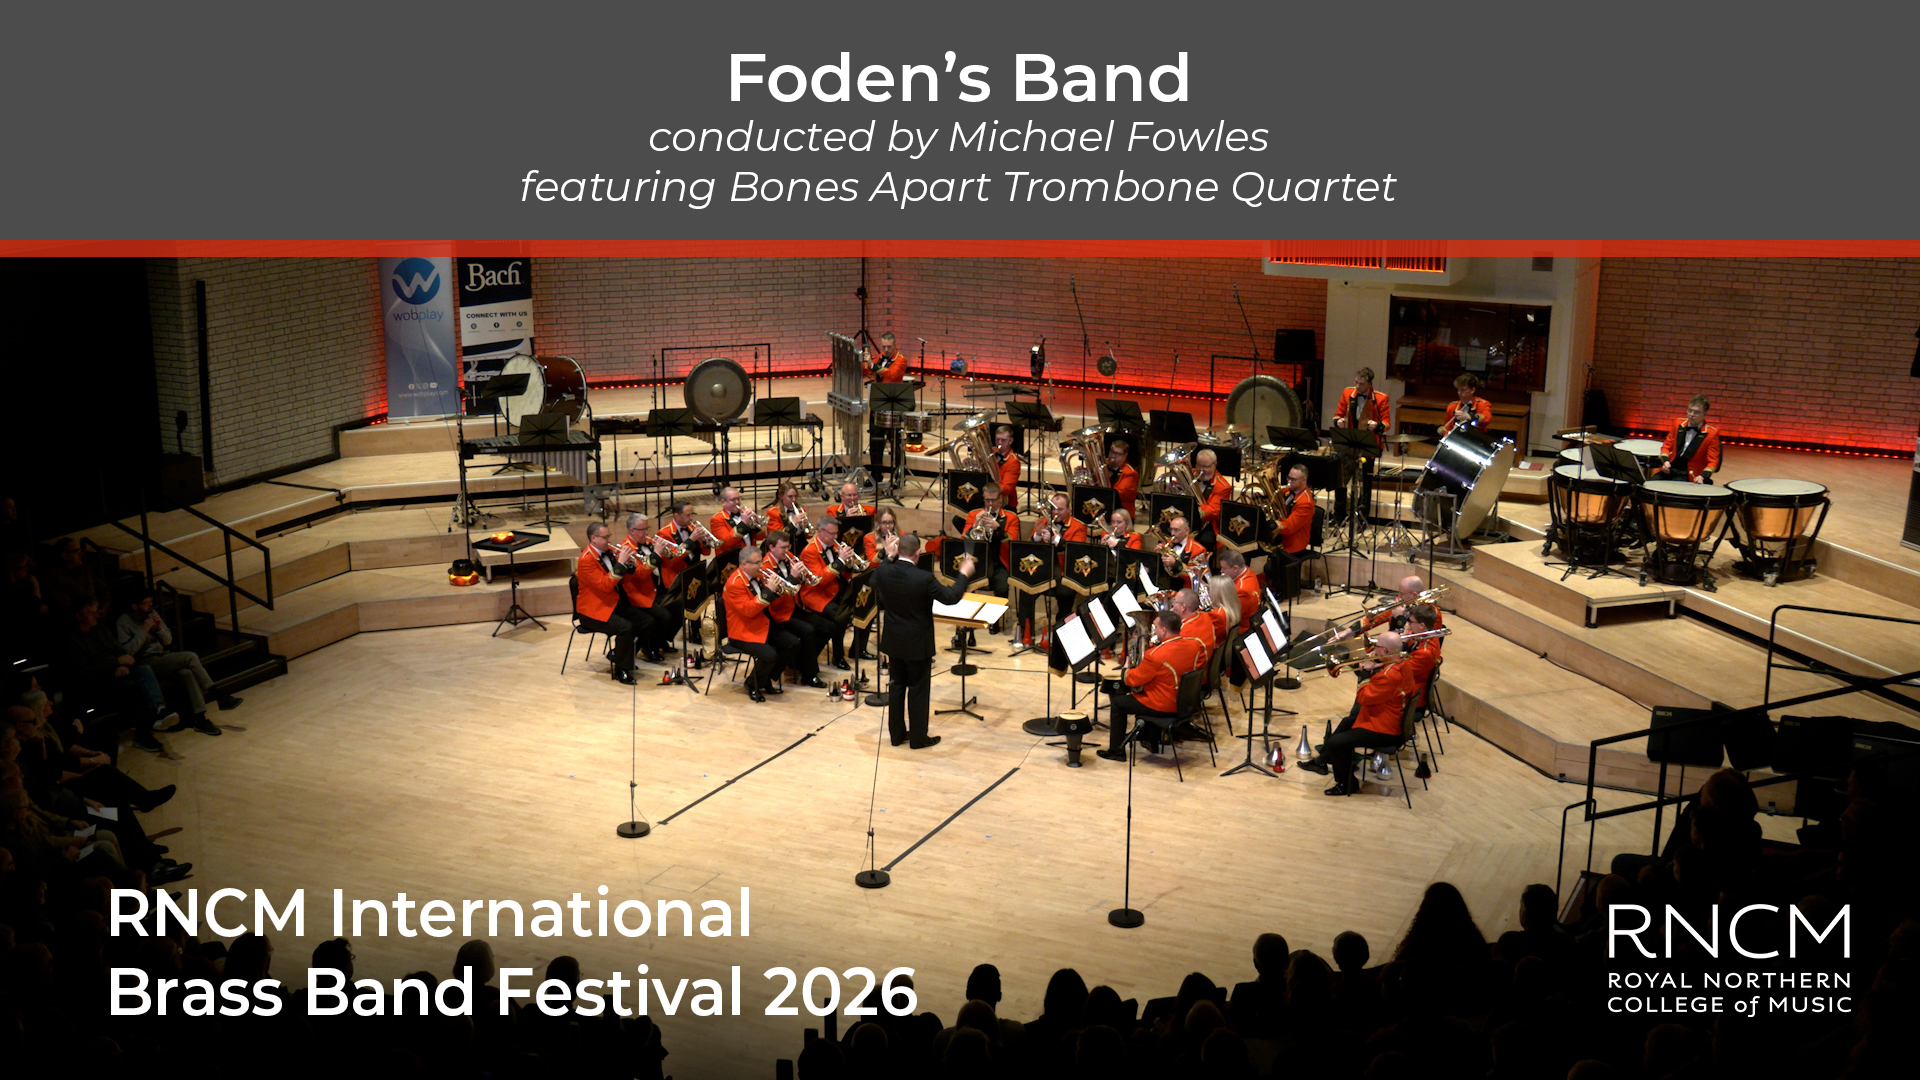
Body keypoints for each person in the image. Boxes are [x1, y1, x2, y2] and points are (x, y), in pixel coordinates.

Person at [869, 534, 973, 749]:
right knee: (918, 690)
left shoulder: (884, 570)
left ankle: (896, 735)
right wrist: (963, 574)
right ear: (918, 553)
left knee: (896, 687)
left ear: (898, 551)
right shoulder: (923, 578)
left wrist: (888, 557)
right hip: (917, 643)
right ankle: (918, 738)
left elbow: (873, 581)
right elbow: (951, 597)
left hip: (894, 641)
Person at [1299, 631, 1413, 796]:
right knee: (1347, 722)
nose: (1374, 648)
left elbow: (1363, 697)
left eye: (1377, 646)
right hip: (1390, 717)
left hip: (1385, 730)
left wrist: (1365, 673)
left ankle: (1347, 784)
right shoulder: (1403, 663)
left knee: (1336, 742)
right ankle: (1322, 761)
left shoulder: (1389, 676)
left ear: (1386, 651)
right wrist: (1376, 667)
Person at [1096, 610, 1206, 761]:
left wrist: (1126, 669)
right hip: (1187, 703)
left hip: (1165, 705)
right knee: (1152, 687)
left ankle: (1116, 751)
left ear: (1164, 630)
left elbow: (1133, 680)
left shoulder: (1155, 655)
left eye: (1156, 627)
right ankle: (1149, 738)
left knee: (1117, 703)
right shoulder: (1194, 645)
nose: (1154, 630)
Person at [116, 588, 228, 735]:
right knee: (190, 657)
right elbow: (127, 652)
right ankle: (218, 696)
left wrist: (159, 629)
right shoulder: (123, 623)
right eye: (146, 602)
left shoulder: (152, 613)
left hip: (163, 656)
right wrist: (143, 632)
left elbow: (168, 641)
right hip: (145, 662)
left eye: (151, 601)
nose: (150, 605)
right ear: (135, 606)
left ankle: (200, 719)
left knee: (187, 673)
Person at [721, 547, 798, 703]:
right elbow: (749, 610)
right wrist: (769, 591)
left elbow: (766, 601)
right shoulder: (735, 583)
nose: (761, 566)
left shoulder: (758, 575)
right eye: (757, 563)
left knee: (792, 643)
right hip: (742, 632)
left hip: (761, 624)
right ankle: (752, 684)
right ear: (744, 564)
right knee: (769, 655)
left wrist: (776, 588)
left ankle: (765, 678)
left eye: (761, 561)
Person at [761, 532, 828, 689]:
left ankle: (800, 662)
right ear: (771, 547)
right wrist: (792, 577)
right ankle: (809, 674)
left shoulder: (789, 556)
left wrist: (803, 575)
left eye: (788, 546)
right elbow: (775, 597)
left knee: (827, 627)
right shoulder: (765, 567)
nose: (787, 551)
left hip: (794, 606)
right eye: (783, 547)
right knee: (808, 631)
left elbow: (801, 582)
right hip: (778, 613)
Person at [956, 484, 1020, 646]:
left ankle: (995, 619)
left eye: (993, 500)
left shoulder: (1011, 517)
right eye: (987, 500)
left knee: (1002, 585)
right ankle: (968, 619)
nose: (990, 504)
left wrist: (999, 530)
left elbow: (1013, 543)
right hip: (978, 562)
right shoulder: (973, 515)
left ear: (1000, 499)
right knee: (965, 581)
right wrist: (975, 525)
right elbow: (963, 540)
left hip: (1000, 562)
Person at [1016, 493, 1084, 645]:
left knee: (1066, 593)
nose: (1055, 512)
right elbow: (1029, 548)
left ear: (1069, 509)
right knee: (1025, 589)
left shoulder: (1078, 526)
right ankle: (1026, 634)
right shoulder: (1042, 521)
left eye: (1060, 509)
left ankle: (1061, 632)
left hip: (1064, 573)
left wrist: (1056, 539)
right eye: (1053, 509)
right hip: (1042, 571)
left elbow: (1076, 552)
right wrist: (1037, 536)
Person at [574, 523, 637, 685]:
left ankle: (619, 654)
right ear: (593, 538)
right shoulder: (586, 560)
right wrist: (620, 564)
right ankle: (621, 670)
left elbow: (623, 574)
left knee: (646, 620)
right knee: (626, 628)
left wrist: (628, 563)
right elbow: (605, 585)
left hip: (611, 603)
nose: (609, 540)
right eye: (605, 537)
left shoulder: (608, 552)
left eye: (609, 536)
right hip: (592, 612)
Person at [611, 513, 676, 663]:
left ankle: (661, 640)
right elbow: (641, 574)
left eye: (647, 528)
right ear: (631, 530)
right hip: (637, 595)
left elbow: (669, 560)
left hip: (655, 590)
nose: (646, 533)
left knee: (680, 606)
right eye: (642, 530)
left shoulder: (647, 542)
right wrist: (656, 554)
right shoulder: (626, 549)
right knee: (663, 616)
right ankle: (650, 648)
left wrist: (665, 551)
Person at [797, 516, 856, 671]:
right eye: (832, 533)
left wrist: (849, 565)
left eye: (837, 533)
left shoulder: (833, 545)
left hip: (835, 589)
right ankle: (838, 656)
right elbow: (820, 580)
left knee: (862, 604)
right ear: (820, 531)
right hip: (816, 595)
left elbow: (844, 575)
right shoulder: (809, 552)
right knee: (840, 617)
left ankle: (858, 649)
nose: (835, 537)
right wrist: (840, 561)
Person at [1333, 367, 1391, 523]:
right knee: (1341, 478)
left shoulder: (1380, 398)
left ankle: (1361, 518)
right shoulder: (1347, 393)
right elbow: (1338, 414)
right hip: (1349, 442)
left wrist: (1377, 425)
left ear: (1369, 384)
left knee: (1365, 482)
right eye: (1356, 382)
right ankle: (1339, 515)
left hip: (1367, 444)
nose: (1357, 386)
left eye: (1361, 384)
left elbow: (1386, 423)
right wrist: (1338, 421)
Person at [865, 332, 909, 485]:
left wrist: (872, 365)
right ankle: (876, 475)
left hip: (893, 406)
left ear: (895, 345)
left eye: (888, 347)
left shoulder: (901, 360)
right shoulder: (880, 357)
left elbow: (891, 375)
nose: (885, 349)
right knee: (875, 441)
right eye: (883, 346)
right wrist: (863, 361)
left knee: (895, 442)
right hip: (878, 403)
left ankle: (899, 476)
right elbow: (868, 369)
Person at [1656, 394, 1722, 483]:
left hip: (1688, 475)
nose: (1691, 414)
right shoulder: (1678, 424)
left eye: (1696, 412)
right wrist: (1665, 462)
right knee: (1647, 485)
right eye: (1690, 410)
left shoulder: (1711, 434)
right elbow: (1666, 446)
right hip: (1670, 468)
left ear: (1705, 413)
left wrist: (1702, 476)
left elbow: (1713, 462)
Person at [1191, 448, 1233, 539]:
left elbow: (1213, 511)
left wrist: (1190, 508)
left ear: (1214, 465)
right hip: (1187, 518)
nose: (1201, 470)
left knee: (1206, 539)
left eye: (1206, 467)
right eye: (1199, 465)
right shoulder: (1191, 474)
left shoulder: (1223, 486)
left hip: (1208, 523)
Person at [1438, 372, 1493, 437]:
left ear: (1472, 390)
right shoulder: (1452, 407)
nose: (1459, 393)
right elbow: (1447, 429)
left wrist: (1469, 417)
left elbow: (1486, 419)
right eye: (1458, 390)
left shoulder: (1483, 404)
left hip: (1476, 439)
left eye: (1463, 390)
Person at [1105, 438, 1139, 517]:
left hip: (1122, 514)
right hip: (1104, 508)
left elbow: (1118, 494)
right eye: (1112, 452)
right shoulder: (1103, 465)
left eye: (1118, 454)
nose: (1113, 456)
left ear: (1125, 455)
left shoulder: (1130, 473)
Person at [990, 426, 1024, 502]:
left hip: (1006, 503)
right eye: (997, 439)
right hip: (989, 499)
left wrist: (987, 483)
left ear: (1010, 441)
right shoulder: (991, 453)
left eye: (1003, 440)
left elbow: (1006, 489)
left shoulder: (1013, 461)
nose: (999, 443)